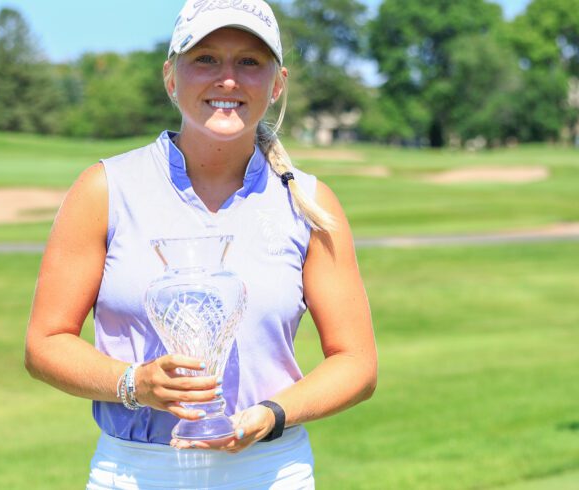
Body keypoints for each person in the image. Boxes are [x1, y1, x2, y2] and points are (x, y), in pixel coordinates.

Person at [24, 1, 377, 488]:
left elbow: (356, 362)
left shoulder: (309, 202)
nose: (227, 79)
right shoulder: (106, 188)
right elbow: (45, 344)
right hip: (134, 471)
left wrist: (272, 414)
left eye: (249, 62)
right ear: (171, 76)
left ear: (277, 84)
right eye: (206, 58)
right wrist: (135, 384)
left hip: (269, 471)